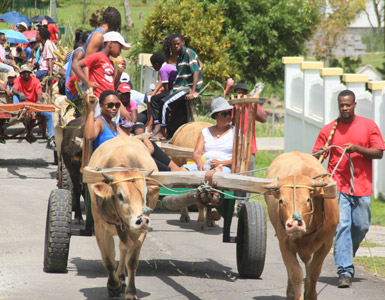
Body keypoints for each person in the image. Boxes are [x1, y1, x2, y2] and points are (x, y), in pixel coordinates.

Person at [312, 89, 385, 288]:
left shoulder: (369, 126)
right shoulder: (329, 130)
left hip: (362, 186)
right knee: (342, 224)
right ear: (338, 106)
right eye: (341, 105)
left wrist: (357, 149)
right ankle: (344, 270)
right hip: (338, 185)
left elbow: (378, 152)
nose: (344, 109)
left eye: (348, 105)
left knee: (361, 226)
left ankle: (345, 253)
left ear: (354, 105)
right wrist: (322, 152)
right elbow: (315, 158)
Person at [84, 89, 184, 172]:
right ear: (101, 106)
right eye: (110, 105)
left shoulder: (113, 124)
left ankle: (176, 170)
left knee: (149, 144)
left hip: (121, 155)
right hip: (110, 160)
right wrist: (91, 109)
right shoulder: (98, 122)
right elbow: (89, 136)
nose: (114, 108)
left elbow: (128, 138)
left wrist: (145, 140)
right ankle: (170, 172)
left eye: (117, 105)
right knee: (139, 156)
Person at [152, 33, 203, 140]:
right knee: (159, 100)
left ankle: (162, 131)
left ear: (183, 43)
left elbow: (196, 71)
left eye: (178, 44)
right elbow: (180, 76)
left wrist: (193, 92)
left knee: (165, 103)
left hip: (186, 87)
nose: (176, 46)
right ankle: (162, 127)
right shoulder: (179, 57)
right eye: (173, 45)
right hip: (179, 87)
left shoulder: (189, 53)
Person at [72, 31, 129, 121]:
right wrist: (87, 83)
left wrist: (119, 73)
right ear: (110, 44)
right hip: (99, 102)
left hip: (110, 102)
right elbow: (76, 65)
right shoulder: (97, 56)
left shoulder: (110, 62)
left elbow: (112, 85)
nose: (120, 51)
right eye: (119, 47)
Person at [183, 97, 234, 174]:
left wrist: (221, 163)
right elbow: (196, 153)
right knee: (182, 170)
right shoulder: (205, 132)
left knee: (217, 175)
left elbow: (239, 159)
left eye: (229, 113)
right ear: (215, 116)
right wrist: (199, 162)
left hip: (223, 168)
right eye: (223, 114)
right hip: (205, 165)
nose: (227, 117)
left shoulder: (236, 133)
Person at [12, 64, 55, 148]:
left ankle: (51, 138)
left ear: (30, 73)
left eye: (28, 72)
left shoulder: (35, 81)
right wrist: (19, 93)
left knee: (49, 115)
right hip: (22, 106)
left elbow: (39, 93)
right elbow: (14, 89)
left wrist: (38, 102)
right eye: (24, 72)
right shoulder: (18, 80)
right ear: (21, 74)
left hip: (33, 106)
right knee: (15, 95)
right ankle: (15, 111)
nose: (26, 74)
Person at [148, 52, 177, 140]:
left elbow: (166, 88)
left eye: (153, 66)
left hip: (173, 90)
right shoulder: (169, 66)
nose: (154, 68)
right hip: (174, 88)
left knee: (154, 99)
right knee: (157, 97)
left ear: (156, 64)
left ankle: (157, 124)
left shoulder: (163, 69)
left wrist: (156, 93)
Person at [65, 30, 90, 101]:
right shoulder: (80, 52)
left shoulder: (83, 51)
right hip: (74, 91)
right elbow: (73, 72)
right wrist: (79, 91)